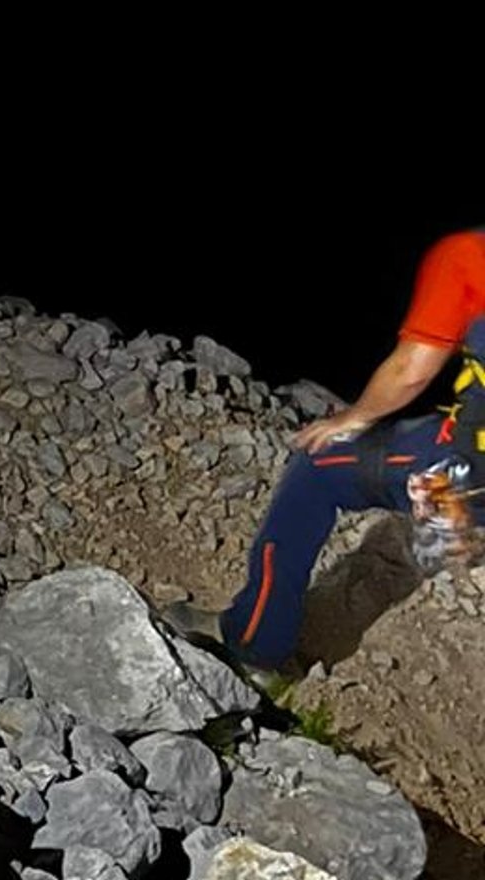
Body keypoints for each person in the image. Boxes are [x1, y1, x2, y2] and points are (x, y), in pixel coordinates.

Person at [164, 227, 485, 677]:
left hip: (474, 467)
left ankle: (255, 646)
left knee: (317, 469)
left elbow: (410, 372)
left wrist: (351, 420)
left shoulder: (469, 256)